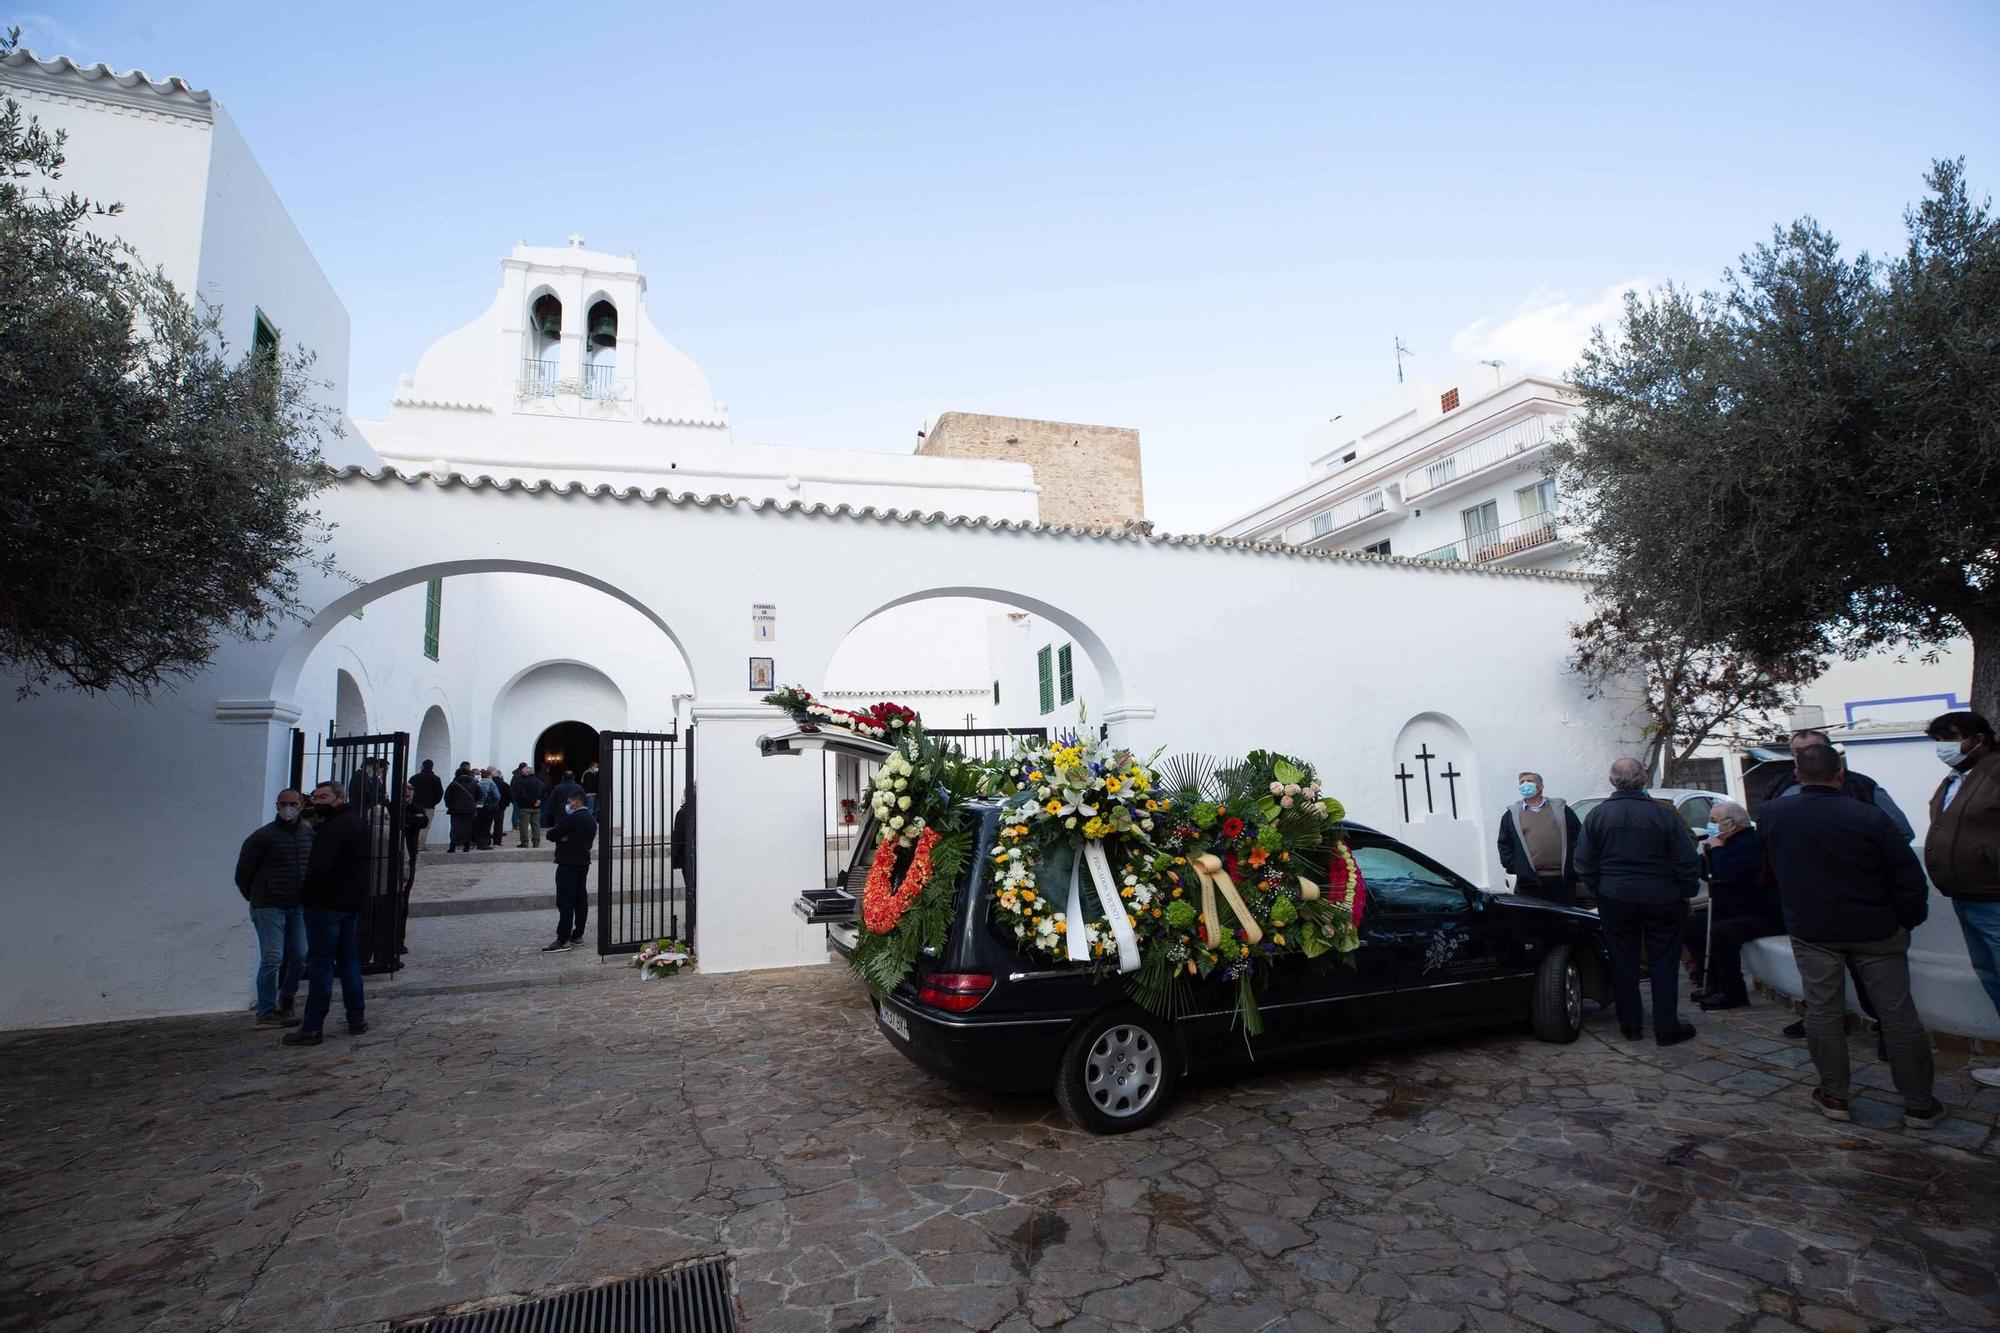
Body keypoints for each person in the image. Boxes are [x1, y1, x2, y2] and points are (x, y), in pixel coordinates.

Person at [1759, 743, 1942, 1127]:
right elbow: (1908, 877)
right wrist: (1907, 920)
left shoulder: (1775, 814)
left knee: (1822, 1013)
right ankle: (1919, 1104)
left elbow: (1769, 868)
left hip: (1813, 927)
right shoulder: (1870, 817)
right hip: (1875, 928)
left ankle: (1834, 1096)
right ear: (1840, 774)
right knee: (1898, 1015)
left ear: (1797, 775)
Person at [1575, 757, 1702, 1046]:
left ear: (1612, 781)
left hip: (1616, 897)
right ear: (1644, 779)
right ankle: (1666, 1026)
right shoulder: (1663, 814)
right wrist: (1685, 890)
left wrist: (1602, 888)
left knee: (1623, 961)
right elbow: (1686, 858)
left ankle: (1630, 1024)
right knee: (1664, 962)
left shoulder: (1597, 816)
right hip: (1662, 896)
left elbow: (1583, 861)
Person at [1923, 710, 2000, 1089]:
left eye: (1950, 739)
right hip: (1968, 896)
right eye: (1938, 741)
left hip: (1994, 897)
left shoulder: (1995, 773)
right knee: (1991, 976)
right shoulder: (1956, 777)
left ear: (1979, 739)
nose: (1944, 748)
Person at [284, 782, 370, 1046]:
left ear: (340, 797)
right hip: (349, 903)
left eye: (324, 796)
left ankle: (312, 1026)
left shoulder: (333, 828)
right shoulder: (357, 823)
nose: (318, 801)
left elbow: (319, 867)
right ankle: (356, 1017)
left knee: (321, 964)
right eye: (316, 796)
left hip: (326, 904)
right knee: (348, 960)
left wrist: (306, 894)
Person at [1685, 801, 1781, 1011]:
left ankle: (1733, 991)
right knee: (1693, 927)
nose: (1711, 825)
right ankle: (1712, 981)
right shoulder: (1723, 843)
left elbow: (1731, 873)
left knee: (1722, 932)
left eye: (1715, 821)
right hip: (1732, 908)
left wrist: (1718, 852)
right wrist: (1709, 854)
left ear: (1732, 824)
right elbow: (1708, 874)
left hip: (1759, 911)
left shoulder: (1750, 843)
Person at [233, 788, 312, 1028]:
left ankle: (287, 997)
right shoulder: (262, 837)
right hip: (269, 906)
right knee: (273, 957)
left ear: (301, 806)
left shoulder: (308, 835)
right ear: (277, 805)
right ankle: (266, 1010)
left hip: (297, 904)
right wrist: (257, 897)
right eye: (284, 803)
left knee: (300, 955)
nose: (288, 808)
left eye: (293, 803)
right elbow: (243, 874)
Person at [1765, 727, 1914, 839]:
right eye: (1798, 751)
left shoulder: (1862, 786)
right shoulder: (1779, 786)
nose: (1806, 755)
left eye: (1814, 749)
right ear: (1792, 754)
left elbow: (1902, 832)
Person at [1496, 771, 1582, 905]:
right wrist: (1518, 868)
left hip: (1562, 881)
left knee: (1564, 922)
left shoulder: (1561, 810)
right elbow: (1504, 845)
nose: (1525, 784)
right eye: (1522, 782)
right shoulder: (1511, 816)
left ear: (1541, 786)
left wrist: (1575, 864)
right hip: (1530, 883)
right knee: (1536, 922)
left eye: (1529, 781)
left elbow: (1579, 837)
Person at [544, 789, 598, 951]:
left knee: (566, 900)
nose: (568, 805)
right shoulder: (590, 819)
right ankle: (578, 934)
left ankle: (563, 938)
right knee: (580, 899)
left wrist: (562, 837)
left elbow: (552, 835)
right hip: (583, 861)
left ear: (576, 802)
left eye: (569, 802)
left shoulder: (572, 819)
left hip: (568, 862)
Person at [444, 763, 480, 852]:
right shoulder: (474, 783)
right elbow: (480, 794)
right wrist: (473, 802)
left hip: (455, 809)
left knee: (455, 827)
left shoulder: (454, 783)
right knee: (467, 827)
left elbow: (447, 796)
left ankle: (452, 846)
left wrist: (449, 805)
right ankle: (466, 846)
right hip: (469, 809)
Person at [512, 764, 547, 848]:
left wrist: (532, 801)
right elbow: (545, 793)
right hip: (536, 807)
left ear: (527, 773)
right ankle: (536, 842)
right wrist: (539, 801)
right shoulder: (540, 782)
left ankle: (524, 842)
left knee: (523, 825)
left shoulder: (522, 782)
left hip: (525, 807)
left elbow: (522, 795)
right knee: (536, 825)